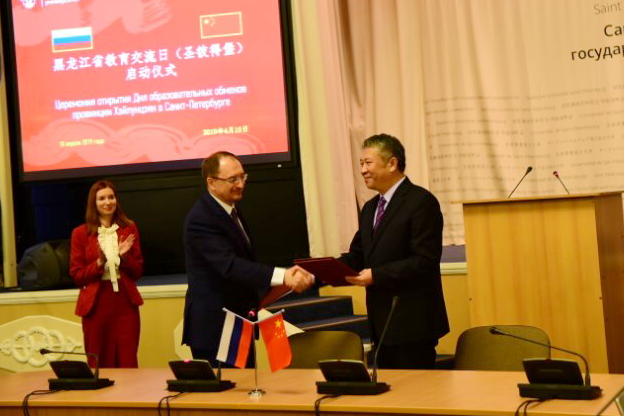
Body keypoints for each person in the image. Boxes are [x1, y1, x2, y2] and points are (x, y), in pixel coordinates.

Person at [182, 151, 313, 366]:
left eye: (243, 177)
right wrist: (284, 276)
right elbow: (230, 266)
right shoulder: (201, 218)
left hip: (237, 323)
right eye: (233, 179)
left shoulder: (230, 210)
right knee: (228, 388)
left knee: (246, 385)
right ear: (211, 182)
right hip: (216, 328)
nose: (241, 184)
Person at [339, 134, 449, 369]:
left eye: (368, 163)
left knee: (416, 391)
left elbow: (425, 260)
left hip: (413, 325)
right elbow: (357, 255)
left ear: (392, 163)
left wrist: (376, 275)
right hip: (381, 325)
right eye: (361, 163)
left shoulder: (421, 202)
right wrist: (321, 270)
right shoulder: (370, 208)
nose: (363, 170)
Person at [70, 180, 143, 368]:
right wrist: (99, 263)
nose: (108, 202)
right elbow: (77, 275)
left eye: (111, 197)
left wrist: (123, 257)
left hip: (125, 302)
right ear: (93, 203)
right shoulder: (80, 233)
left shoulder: (129, 228)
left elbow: (138, 272)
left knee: (127, 359)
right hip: (96, 304)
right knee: (99, 361)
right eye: (102, 198)